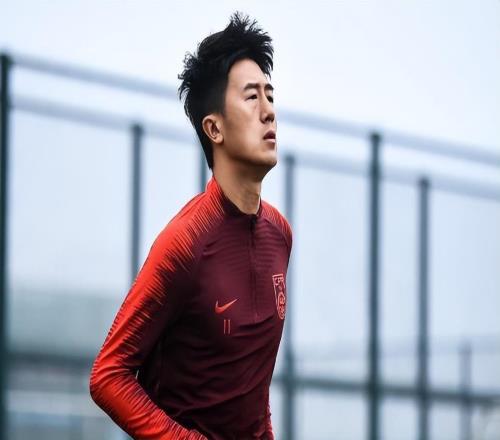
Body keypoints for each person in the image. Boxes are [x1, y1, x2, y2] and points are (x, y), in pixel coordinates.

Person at [89, 10, 292, 440]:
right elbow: (108, 374)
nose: (269, 112)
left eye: (270, 95)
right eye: (252, 97)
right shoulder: (184, 243)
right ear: (214, 128)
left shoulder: (280, 235)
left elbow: (252, 389)